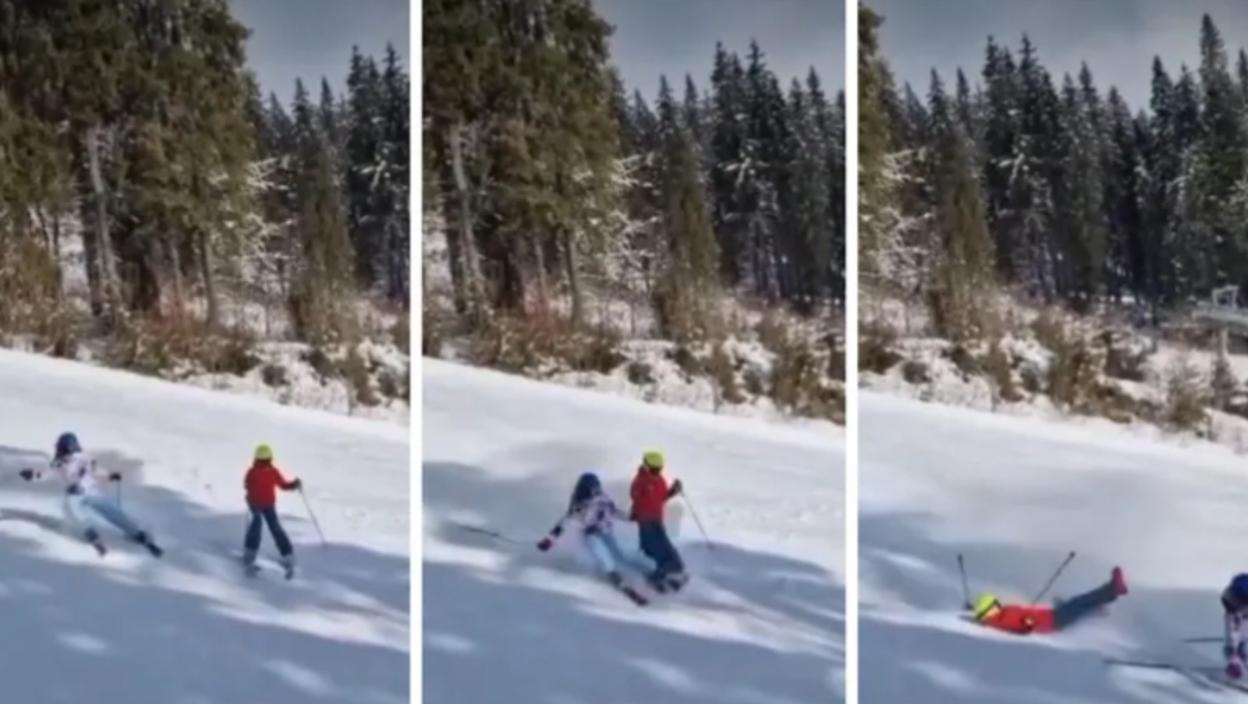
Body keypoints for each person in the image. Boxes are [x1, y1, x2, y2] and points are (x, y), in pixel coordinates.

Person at [19, 432, 162, 557]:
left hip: (91, 491)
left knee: (112, 512)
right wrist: (32, 475)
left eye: (69, 451)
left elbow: (96, 470)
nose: (67, 455)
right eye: (65, 451)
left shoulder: (84, 458)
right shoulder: (58, 463)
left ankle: (136, 533)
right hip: (74, 495)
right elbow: (46, 473)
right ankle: (91, 533)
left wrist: (110, 475)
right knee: (75, 512)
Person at [537, 472, 636, 591]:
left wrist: (630, 517)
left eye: (596, 487)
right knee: (599, 552)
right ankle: (612, 573)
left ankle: (641, 572)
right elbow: (565, 521)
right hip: (590, 533)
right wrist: (550, 539)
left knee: (619, 555)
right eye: (592, 488)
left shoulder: (603, 498)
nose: (595, 490)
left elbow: (614, 512)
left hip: (605, 530)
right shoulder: (579, 503)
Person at [971, 566, 1128, 634]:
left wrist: (974, 611)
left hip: (1052, 617)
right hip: (1053, 620)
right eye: (994, 605)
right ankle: (1112, 589)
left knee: (1078, 603)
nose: (997, 605)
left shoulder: (999, 617)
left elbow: (1017, 622)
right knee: (1079, 602)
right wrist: (1030, 621)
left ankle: (1104, 599)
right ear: (990, 610)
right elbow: (1022, 626)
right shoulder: (1003, 618)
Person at [629, 450, 687, 591]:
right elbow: (637, 500)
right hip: (646, 524)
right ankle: (654, 580)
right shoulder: (640, 482)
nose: (657, 472)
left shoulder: (659, 480)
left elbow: (661, 498)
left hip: (657, 522)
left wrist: (673, 491)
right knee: (662, 554)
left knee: (674, 560)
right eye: (654, 469)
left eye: (659, 469)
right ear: (646, 466)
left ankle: (669, 575)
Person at [243, 444, 301, 578]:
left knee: (275, 527)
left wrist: (293, 485)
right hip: (255, 504)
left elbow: (282, 484)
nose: (265, 464)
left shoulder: (272, 471)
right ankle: (249, 555)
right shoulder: (252, 472)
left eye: (267, 461)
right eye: (262, 461)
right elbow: (246, 484)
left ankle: (287, 554)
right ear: (257, 460)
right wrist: (250, 492)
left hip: (268, 504)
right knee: (256, 526)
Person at [1220, 574, 1248, 679]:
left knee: (1240, 633)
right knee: (1234, 633)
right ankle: (1234, 659)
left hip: (1234, 600)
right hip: (1232, 601)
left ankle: (1237, 655)